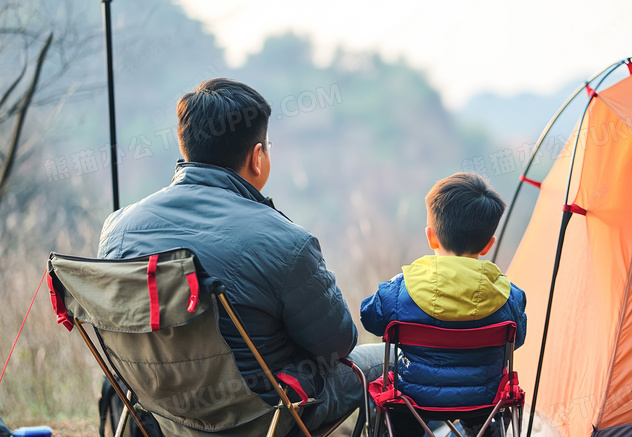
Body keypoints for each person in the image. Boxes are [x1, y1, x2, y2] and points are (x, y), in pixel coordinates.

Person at [98, 78, 384, 435]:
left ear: (185, 146)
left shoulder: (118, 230)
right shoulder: (284, 241)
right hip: (264, 417)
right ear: (257, 156)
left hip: (163, 414)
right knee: (389, 365)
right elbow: (338, 342)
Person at [360, 172, 527, 437]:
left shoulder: (401, 290)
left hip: (413, 400)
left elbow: (370, 317)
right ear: (487, 245)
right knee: (485, 414)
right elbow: (515, 341)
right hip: (484, 405)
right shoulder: (509, 297)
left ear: (431, 237)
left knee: (382, 391)